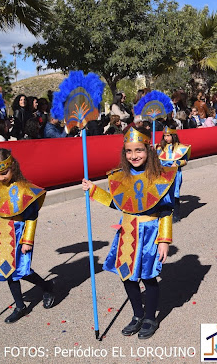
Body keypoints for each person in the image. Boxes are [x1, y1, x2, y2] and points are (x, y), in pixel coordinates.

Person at [82, 127, 177, 339]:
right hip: (127, 231)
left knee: (148, 277)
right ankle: (137, 315)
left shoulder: (162, 177)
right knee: (127, 276)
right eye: (129, 151)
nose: (134, 155)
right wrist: (93, 190)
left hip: (150, 232)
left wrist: (164, 240)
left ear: (148, 150)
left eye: (139, 150)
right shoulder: (120, 176)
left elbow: (166, 210)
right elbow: (117, 203)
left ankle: (150, 318)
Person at [0, 148, 55, 323]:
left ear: (13, 167)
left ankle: (46, 286)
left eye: (4, 173)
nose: (1, 178)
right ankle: (20, 306)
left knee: (22, 270)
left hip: (20, 233)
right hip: (2, 233)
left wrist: (28, 240)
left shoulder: (25, 189)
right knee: (8, 270)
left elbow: (32, 216)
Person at [157, 124, 191, 222]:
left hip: (175, 174)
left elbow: (185, 161)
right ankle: (165, 212)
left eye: (168, 136)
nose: (166, 138)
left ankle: (176, 214)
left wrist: (177, 163)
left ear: (173, 135)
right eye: (165, 136)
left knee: (174, 193)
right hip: (163, 173)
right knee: (163, 193)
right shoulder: (160, 148)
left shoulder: (180, 148)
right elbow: (158, 160)